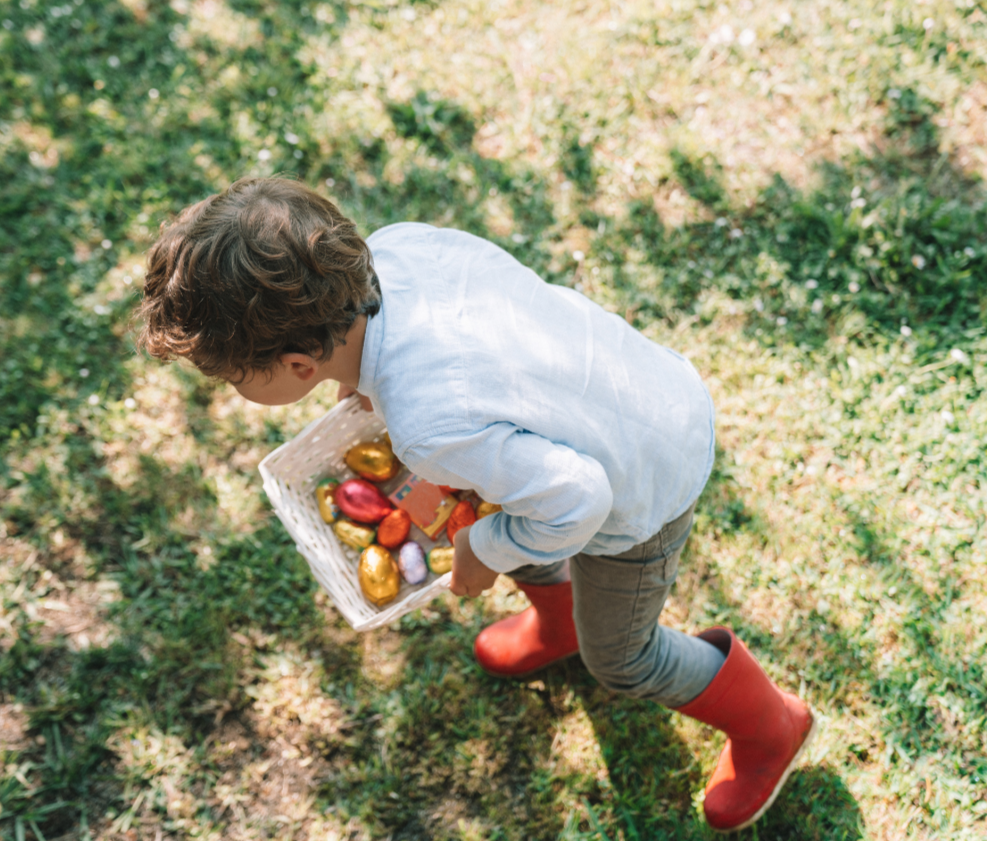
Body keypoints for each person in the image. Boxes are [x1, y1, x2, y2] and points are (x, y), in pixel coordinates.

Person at [134, 176, 816, 832]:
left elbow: (580, 500)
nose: (229, 387)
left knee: (621, 653)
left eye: (231, 377)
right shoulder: (397, 249)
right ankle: (560, 619)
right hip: (634, 391)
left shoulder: (432, 429)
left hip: (642, 488)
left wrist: (479, 551)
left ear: (298, 366)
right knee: (489, 497)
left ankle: (770, 724)